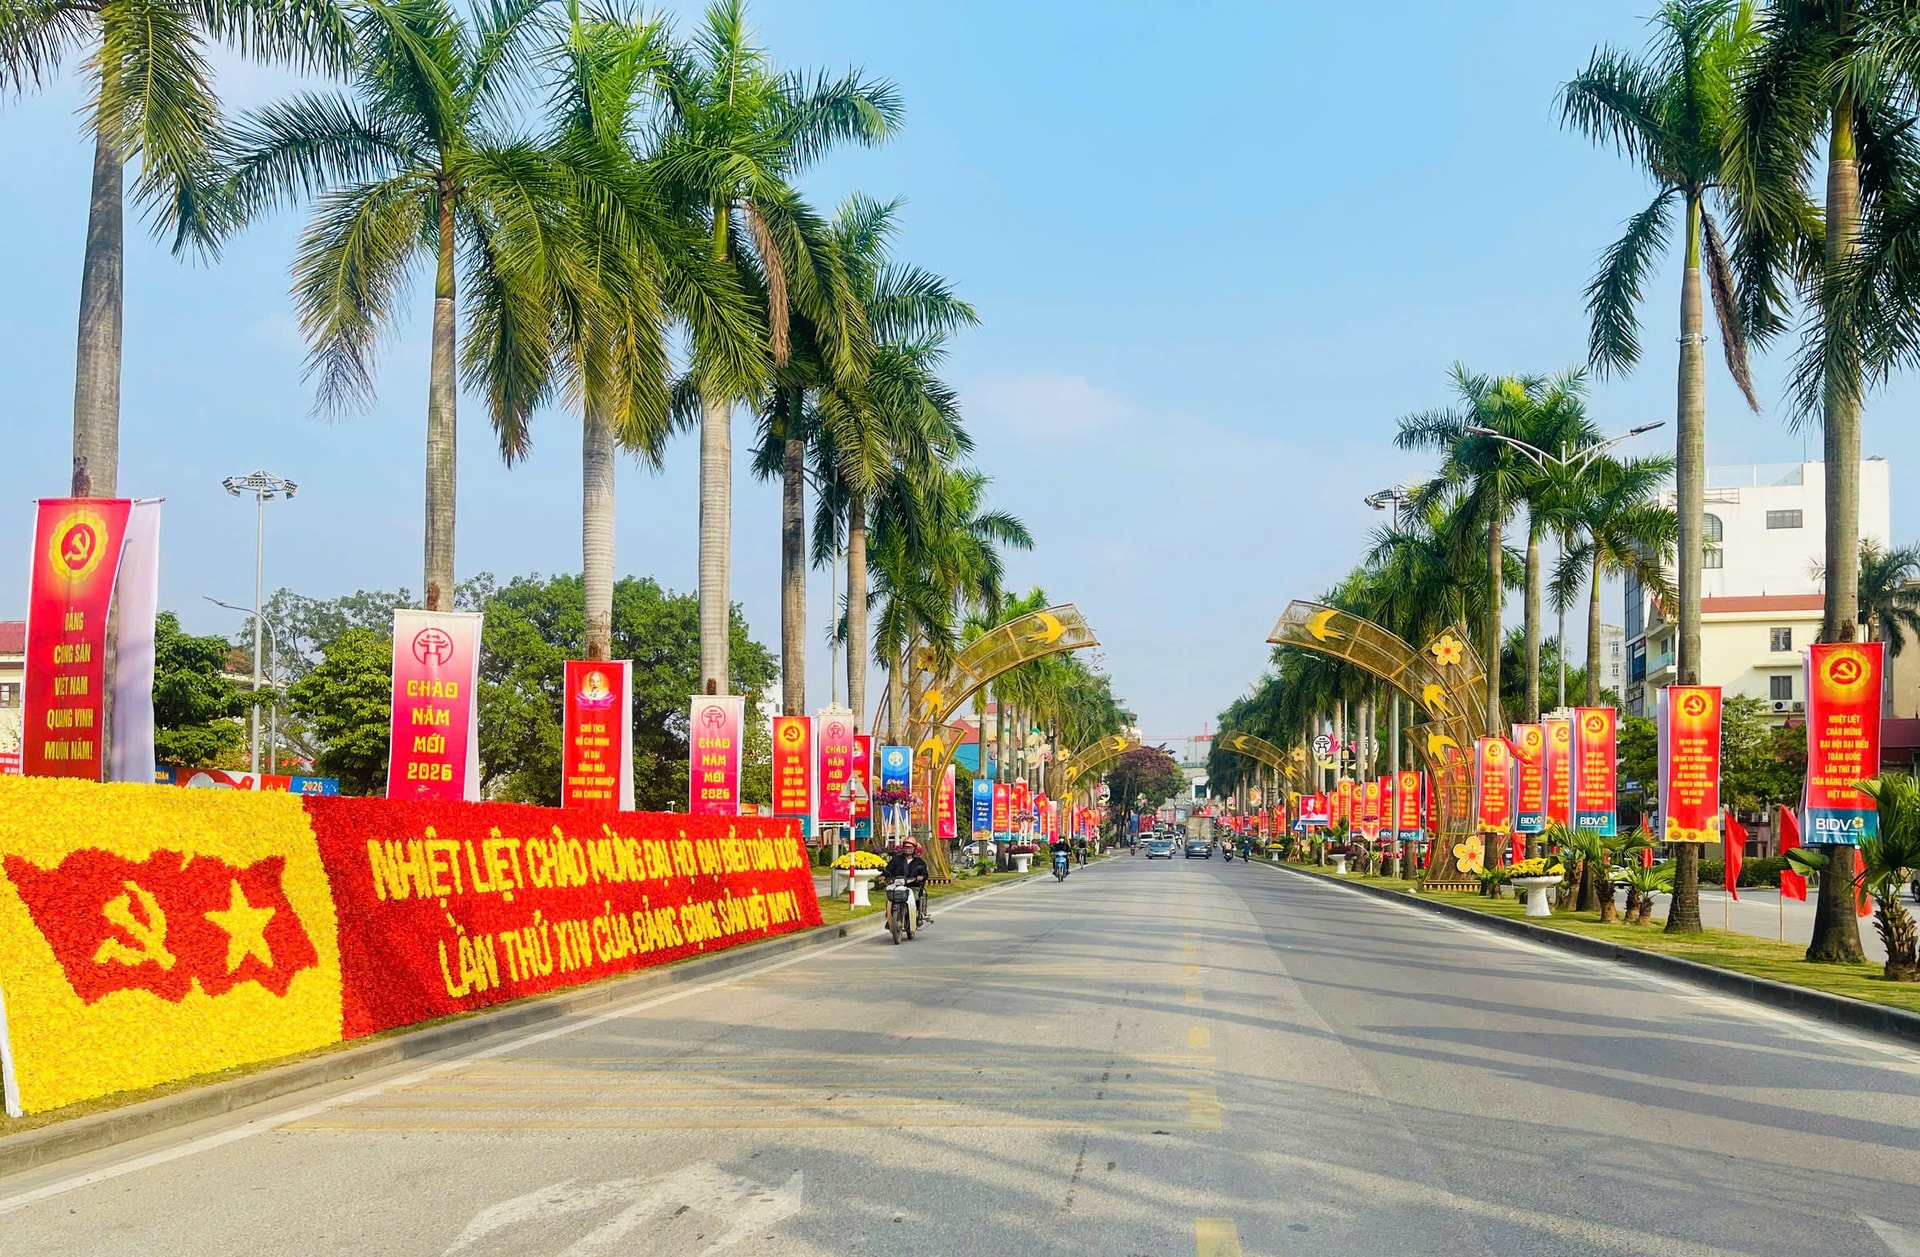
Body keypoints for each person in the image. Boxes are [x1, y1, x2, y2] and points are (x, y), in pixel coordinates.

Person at [883, 840, 932, 927]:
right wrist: (884, 876)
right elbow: (888, 870)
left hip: (913, 886)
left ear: (914, 849)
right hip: (897, 886)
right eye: (906, 847)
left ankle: (917, 917)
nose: (908, 850)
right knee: (890, 899)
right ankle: (890, 919)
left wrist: (921, 877)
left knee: (916, 898)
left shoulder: (919, 862)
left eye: (910, 848)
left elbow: (925, 874)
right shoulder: (896, 860)